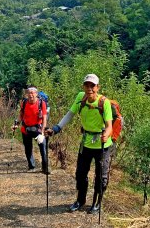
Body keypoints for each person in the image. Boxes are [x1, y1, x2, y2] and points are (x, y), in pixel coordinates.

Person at [46, 73, 113, 214]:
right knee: (81, 174)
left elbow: (109, 125)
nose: (89, 88)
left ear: (97, 87)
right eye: (87, 85)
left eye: (92, 86)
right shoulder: (80, 97)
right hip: (86, 143)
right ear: (84, 86)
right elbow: (70, 114)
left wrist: (106, 134)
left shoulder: (104, 102)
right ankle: (80, 200)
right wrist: (56, 128)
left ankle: (97, 203)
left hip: (103, 146)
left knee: (101, 176)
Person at [12, 86, 49, 174]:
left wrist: (42, 133)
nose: (30, 95)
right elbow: (21, 115)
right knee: (28, 149)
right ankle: (31, 166)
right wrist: (16, 124)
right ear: (27, 94)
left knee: (43, 147)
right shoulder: (24, 103)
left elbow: (44, 118)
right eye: (29, 93)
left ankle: (45, 167)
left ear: (36, 94)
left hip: (38, 129)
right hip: (26, 129)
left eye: (32, 93)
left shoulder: (41, 103)